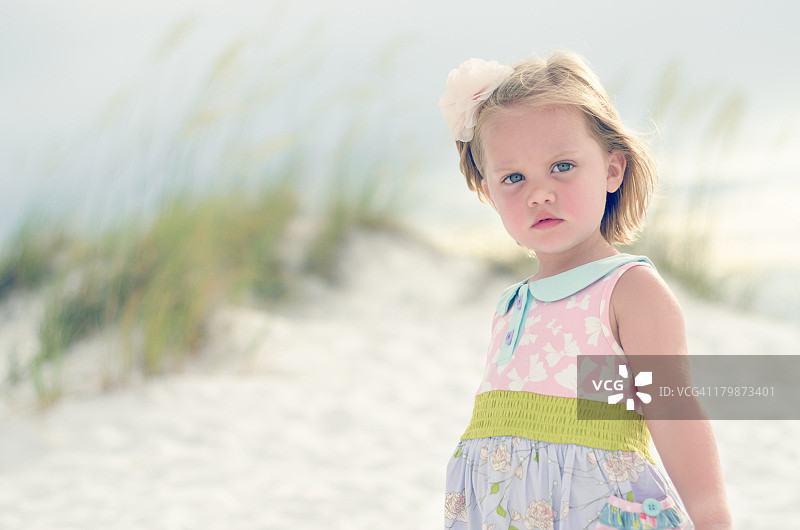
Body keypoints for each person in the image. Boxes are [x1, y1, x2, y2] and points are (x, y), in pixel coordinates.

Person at [438, 52, 731, 530]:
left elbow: (672, 407)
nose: (539, 193)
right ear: (489, 192)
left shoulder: (627, 290)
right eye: (514, 178)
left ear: (612, 170)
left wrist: (712, 516)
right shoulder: (512, 304)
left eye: (562, 166)